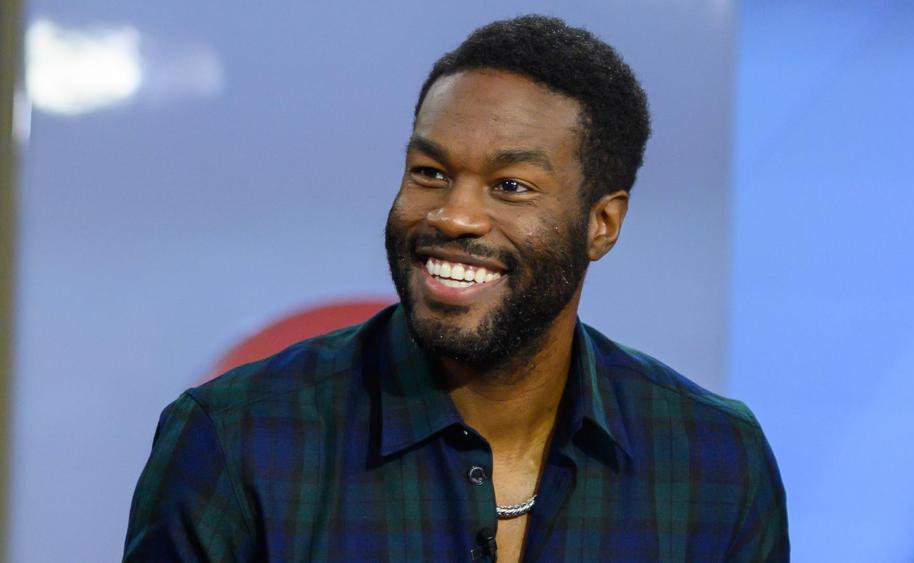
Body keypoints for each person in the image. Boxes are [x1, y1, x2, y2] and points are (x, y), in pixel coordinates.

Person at [124, 15, 788, 562]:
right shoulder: (236, 439)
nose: (453, 216)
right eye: (430, 172)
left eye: (511, 186)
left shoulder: (714, 459)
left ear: (602, 224)